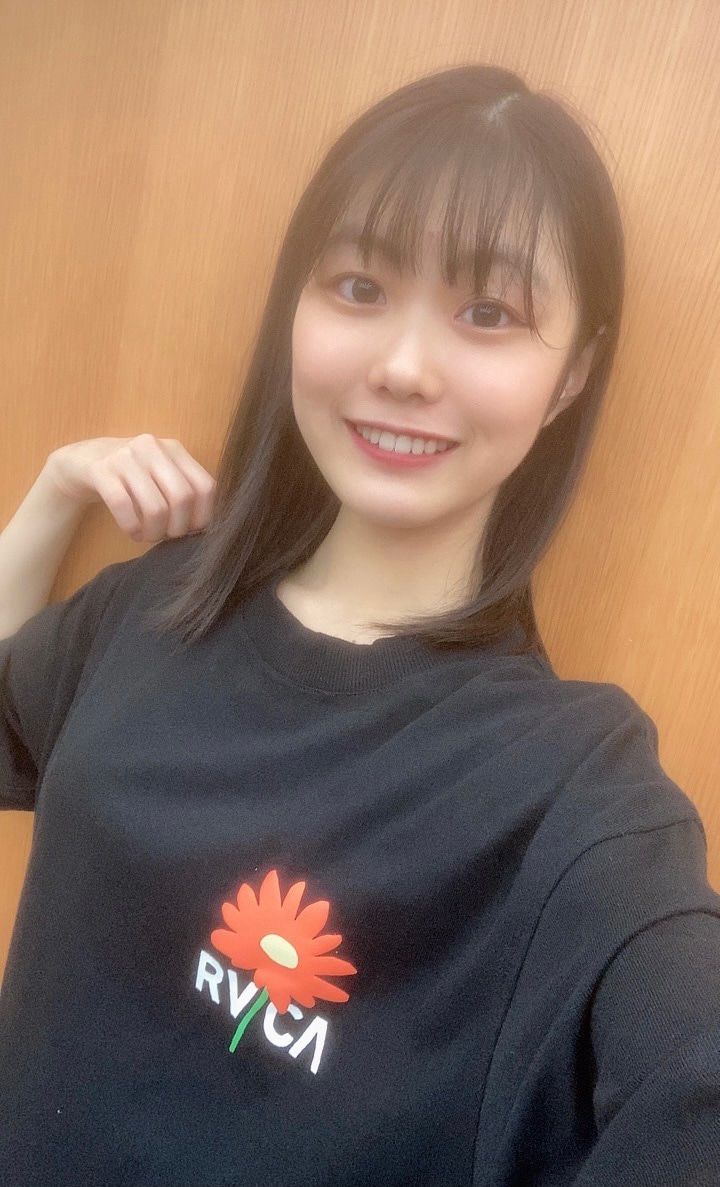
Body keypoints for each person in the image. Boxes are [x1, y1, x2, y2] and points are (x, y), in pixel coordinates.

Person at [1, 61, 719, 1187]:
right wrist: (51, 498)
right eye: (358, 286)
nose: (403, 367)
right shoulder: (155, 604)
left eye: (488, 312)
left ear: (574, 370)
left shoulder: (573, 790)